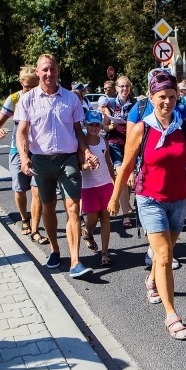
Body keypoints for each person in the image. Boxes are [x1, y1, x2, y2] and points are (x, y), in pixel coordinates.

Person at [108, 68, 186, 340]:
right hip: (149, 198)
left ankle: (151, 280)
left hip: (179, 199)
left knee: (166, 250)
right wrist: (115, 197)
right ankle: (172, 315)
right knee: (164, 256)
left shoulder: (185, 126)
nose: (168, 102)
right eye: (162, 96)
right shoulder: (141, 128)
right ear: (151, 97)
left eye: (172, 96)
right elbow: (126, 165)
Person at [15, 54, 95, 278]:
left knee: (72, 209)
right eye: (44, 70)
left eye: (52, 69)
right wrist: (23, 157)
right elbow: (22, 132)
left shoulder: (71, 99)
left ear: (58, 71)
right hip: (41, 161)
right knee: (48, 207)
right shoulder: (28, 99)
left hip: (68, 159)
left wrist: (86, 152)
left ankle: (76, 261)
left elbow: (78, 131)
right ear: (37, 72)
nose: (49, 74)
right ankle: (54, 249)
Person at [0, 67, 48, 246]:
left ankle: (35, 229)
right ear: (21, 84)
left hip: (38, 151)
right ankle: (24, 218)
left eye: (33, 86)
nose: (30, 90)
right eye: (26, 87)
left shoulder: (43, 97)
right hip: (17, 151)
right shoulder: (14, 99)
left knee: (36, 191)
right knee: (20, 189)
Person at [99, 75, 135, 228]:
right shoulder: (111, 104)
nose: (124, 89)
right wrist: (111, 126)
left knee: (129, 180)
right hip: (115, 143)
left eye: (126, 86)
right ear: (116, 88)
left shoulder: (135, 104)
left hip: (131, 143)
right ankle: (126, 214)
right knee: (122, 175)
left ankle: (125, 203)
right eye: (121, 86)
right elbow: (104, 126)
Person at [80, 110, 115, 267]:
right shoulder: (81, 143)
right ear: (85, 124)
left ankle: (105, 253)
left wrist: (115, 182)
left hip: (105, 184)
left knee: (106, 218)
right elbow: (80, 165)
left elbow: (108, 162)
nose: (94, 127)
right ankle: (87, 231)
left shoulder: (103, 142)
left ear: (101, 125)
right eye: (91, 124)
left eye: (96, 124)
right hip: (88, 187)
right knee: (92, 219)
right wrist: (87, 165)